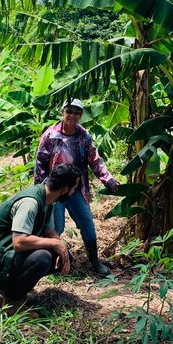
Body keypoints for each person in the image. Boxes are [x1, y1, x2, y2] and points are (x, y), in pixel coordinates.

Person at [0, 163, 81, 311]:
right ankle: (12, 302)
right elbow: (19, 242)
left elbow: (50, 232)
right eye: (74, 189)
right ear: (65, 190)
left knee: (60, 256)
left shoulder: (48, 201)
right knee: (42, 258)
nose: (73, 192)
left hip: (4, 253)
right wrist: (54, 244)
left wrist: (62, 250)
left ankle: (12, 287)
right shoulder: (30, 203)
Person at [34, 98, 119, 276]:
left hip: (77, 188)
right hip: (56, 189)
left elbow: (94, 159)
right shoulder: (51, 135)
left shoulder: (83, 135)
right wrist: (42, 191)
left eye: (77, 112)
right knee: (55, 226)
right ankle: (55, 264)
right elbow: (40, 164)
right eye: (69, 111)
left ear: (81, 115)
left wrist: (108, 179)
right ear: (63, 112)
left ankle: (94, 261)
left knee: (87, 222)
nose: (72, 115)